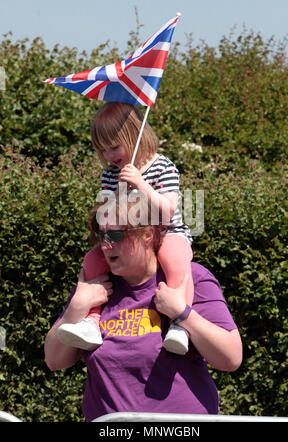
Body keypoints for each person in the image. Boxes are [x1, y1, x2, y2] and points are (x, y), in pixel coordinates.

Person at [44, 198, 242, 422]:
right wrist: (77, 307)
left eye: (115, 236)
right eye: (100, 236)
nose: (106, 245)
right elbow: (54, 360)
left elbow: (231, 357)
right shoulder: (95, 289)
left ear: (147, 234)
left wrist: (182, 313)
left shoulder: (192, 278)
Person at [57, 102, 194, 355]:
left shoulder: (164, 166)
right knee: (92, 259)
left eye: (114, 147)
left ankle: (179, 324)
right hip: (126, 238)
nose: (109, 156)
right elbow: (109, 214)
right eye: (103, 150)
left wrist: (141, 185)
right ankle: (92, 321)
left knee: (174, 259)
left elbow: (168, 212)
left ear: (134, 135)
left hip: (166, 233)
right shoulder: (111, 174)